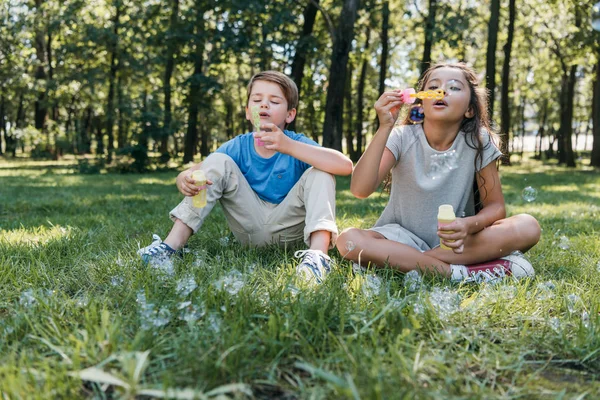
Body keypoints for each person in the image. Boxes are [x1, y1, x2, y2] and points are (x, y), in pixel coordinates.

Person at [139, 71, 353, 283]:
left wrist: (289, 147)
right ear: (248, 113)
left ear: (290, 114)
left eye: (274, 101)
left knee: (321, 171)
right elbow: (196, 171)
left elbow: (344, 166)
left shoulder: (297, 143)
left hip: (291, 231)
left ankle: (317, 258)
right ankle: (170, 247)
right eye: (257, 99)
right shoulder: (238, 146)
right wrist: (182, 178)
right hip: (248, 227)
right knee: (217, 161)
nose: (264, 105)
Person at [336, 62, 541, 283]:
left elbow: (496, 207)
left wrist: (467, 225)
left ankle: (406, 264)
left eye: (454, 87)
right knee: (347, 239)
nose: (442, 91)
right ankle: (458, 273)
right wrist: (384, 127)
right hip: (401, 239)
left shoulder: (478, 141)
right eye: (433, 86)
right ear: (421, 105)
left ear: (470, 109)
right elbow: (359, 189)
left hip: (455, 243)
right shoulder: (401, 136)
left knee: (528, 226)